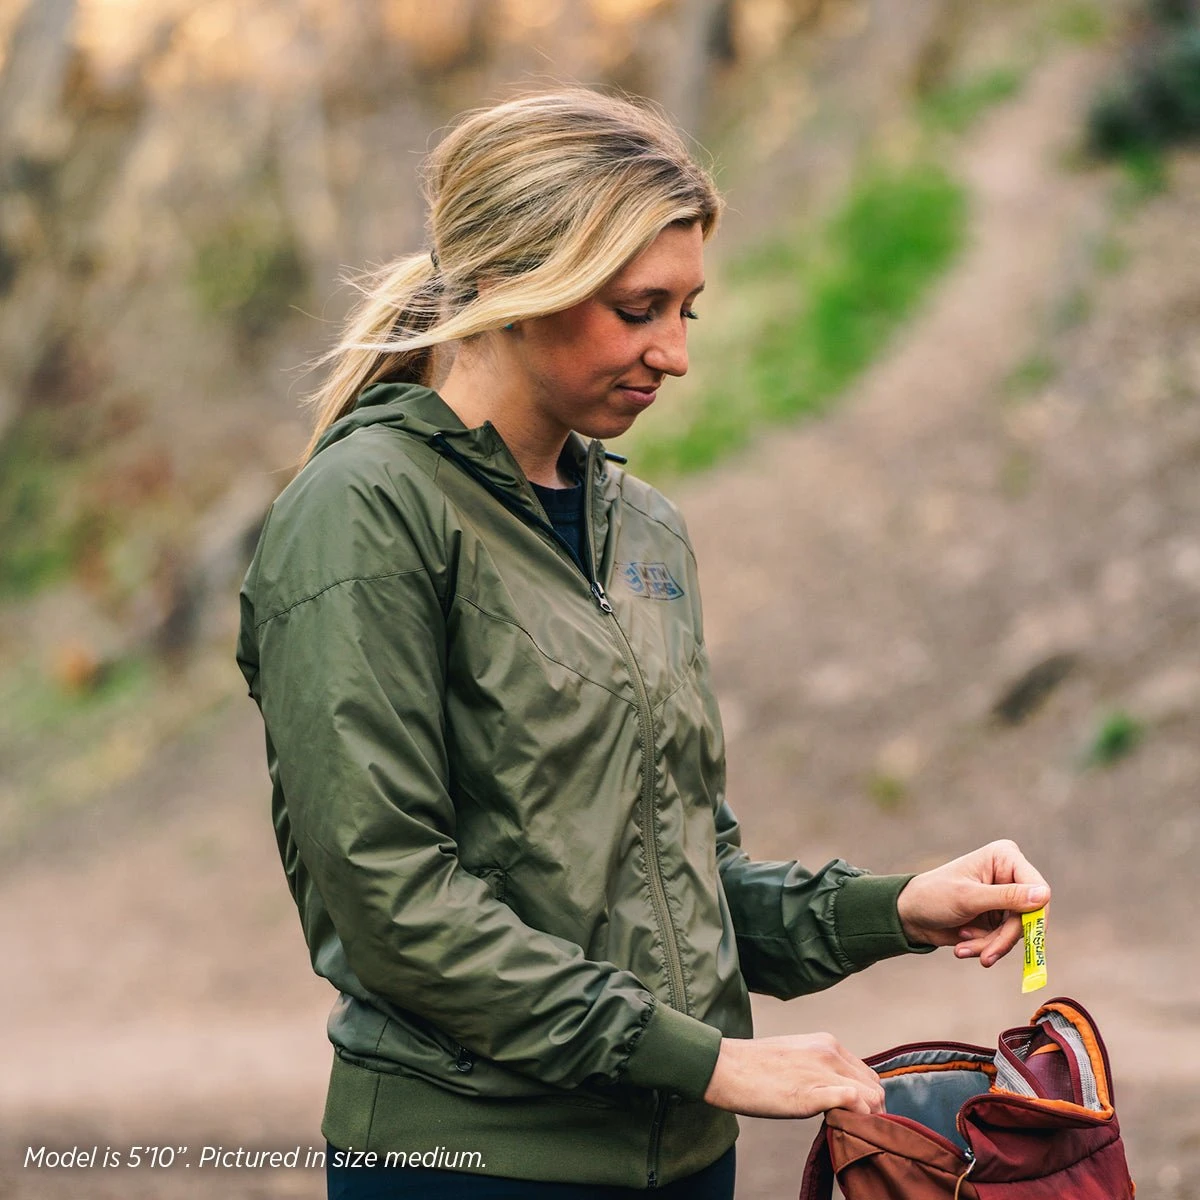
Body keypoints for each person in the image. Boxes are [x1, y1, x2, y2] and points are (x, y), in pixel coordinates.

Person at [236, 89, 1050, 1200]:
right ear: (515, 284)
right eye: (637, 309)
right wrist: (708, 1061)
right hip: (476, 1166)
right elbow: (392, 905)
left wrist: (898, 907)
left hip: (685, 1160)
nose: (674, 353)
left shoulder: (644, 527)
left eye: (687, 311)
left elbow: (684, 884)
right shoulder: (363, 512)